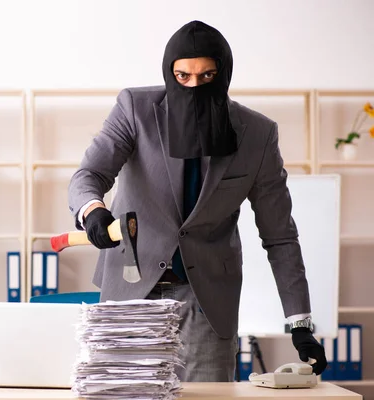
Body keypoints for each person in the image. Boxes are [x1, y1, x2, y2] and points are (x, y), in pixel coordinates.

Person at [67, 20, 327, 382]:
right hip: (131, 291)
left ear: (224, 75)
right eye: (182, 76)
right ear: (169, 73)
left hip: (205, 299)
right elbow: (88, 175)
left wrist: (299, 322)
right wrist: (93, 210)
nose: (193, 85)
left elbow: (280, 235)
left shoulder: (258, 135)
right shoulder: (135, 109)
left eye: (207, 77)